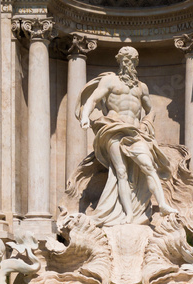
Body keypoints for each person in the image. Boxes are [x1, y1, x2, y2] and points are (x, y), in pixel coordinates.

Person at [77, 46, 179, 224]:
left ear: (136, 62)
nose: (127, 63)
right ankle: (129, 214)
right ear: (119, 61)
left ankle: (162, 204)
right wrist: (85, 116)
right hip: (113, 128)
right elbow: (93, 99)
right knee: (121, 172)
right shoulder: (110, 81)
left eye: (131, 59)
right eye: (124, 59)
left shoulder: (142, 87)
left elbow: (150, 109)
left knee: (148, 166)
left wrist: (147, 123)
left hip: (135, 132)